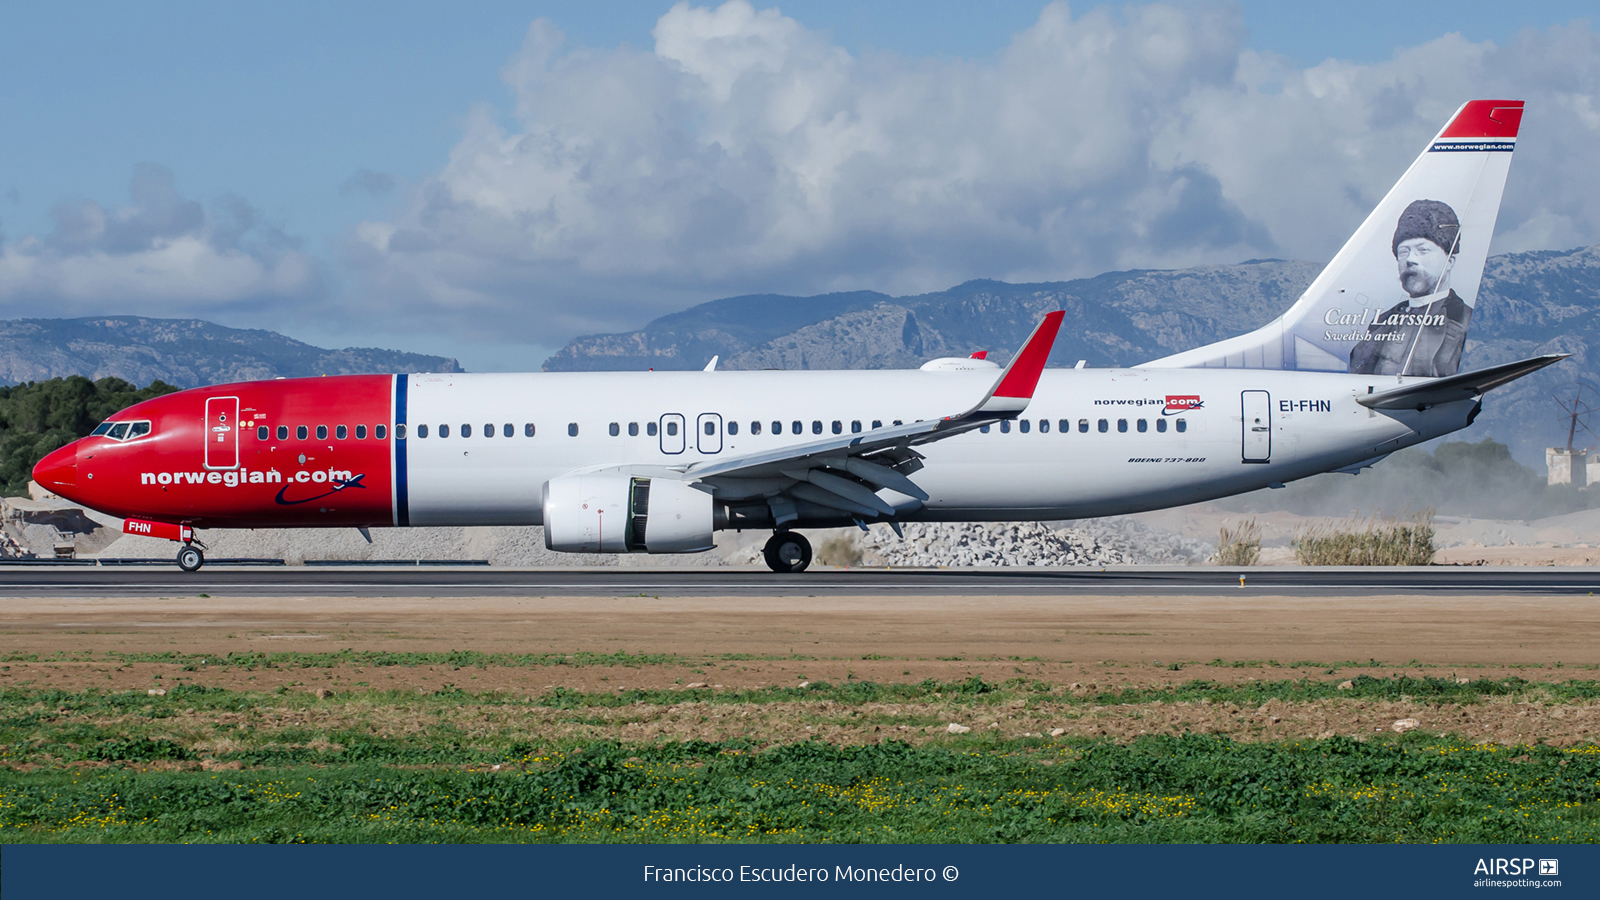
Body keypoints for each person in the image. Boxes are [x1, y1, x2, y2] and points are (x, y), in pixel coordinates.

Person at [1348, 199, 1472, 377]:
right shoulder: (1381, 323)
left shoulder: (1464, 320)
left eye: (1423, 250)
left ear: (1450, 261)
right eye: (1404, 252)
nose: (1410, 259)